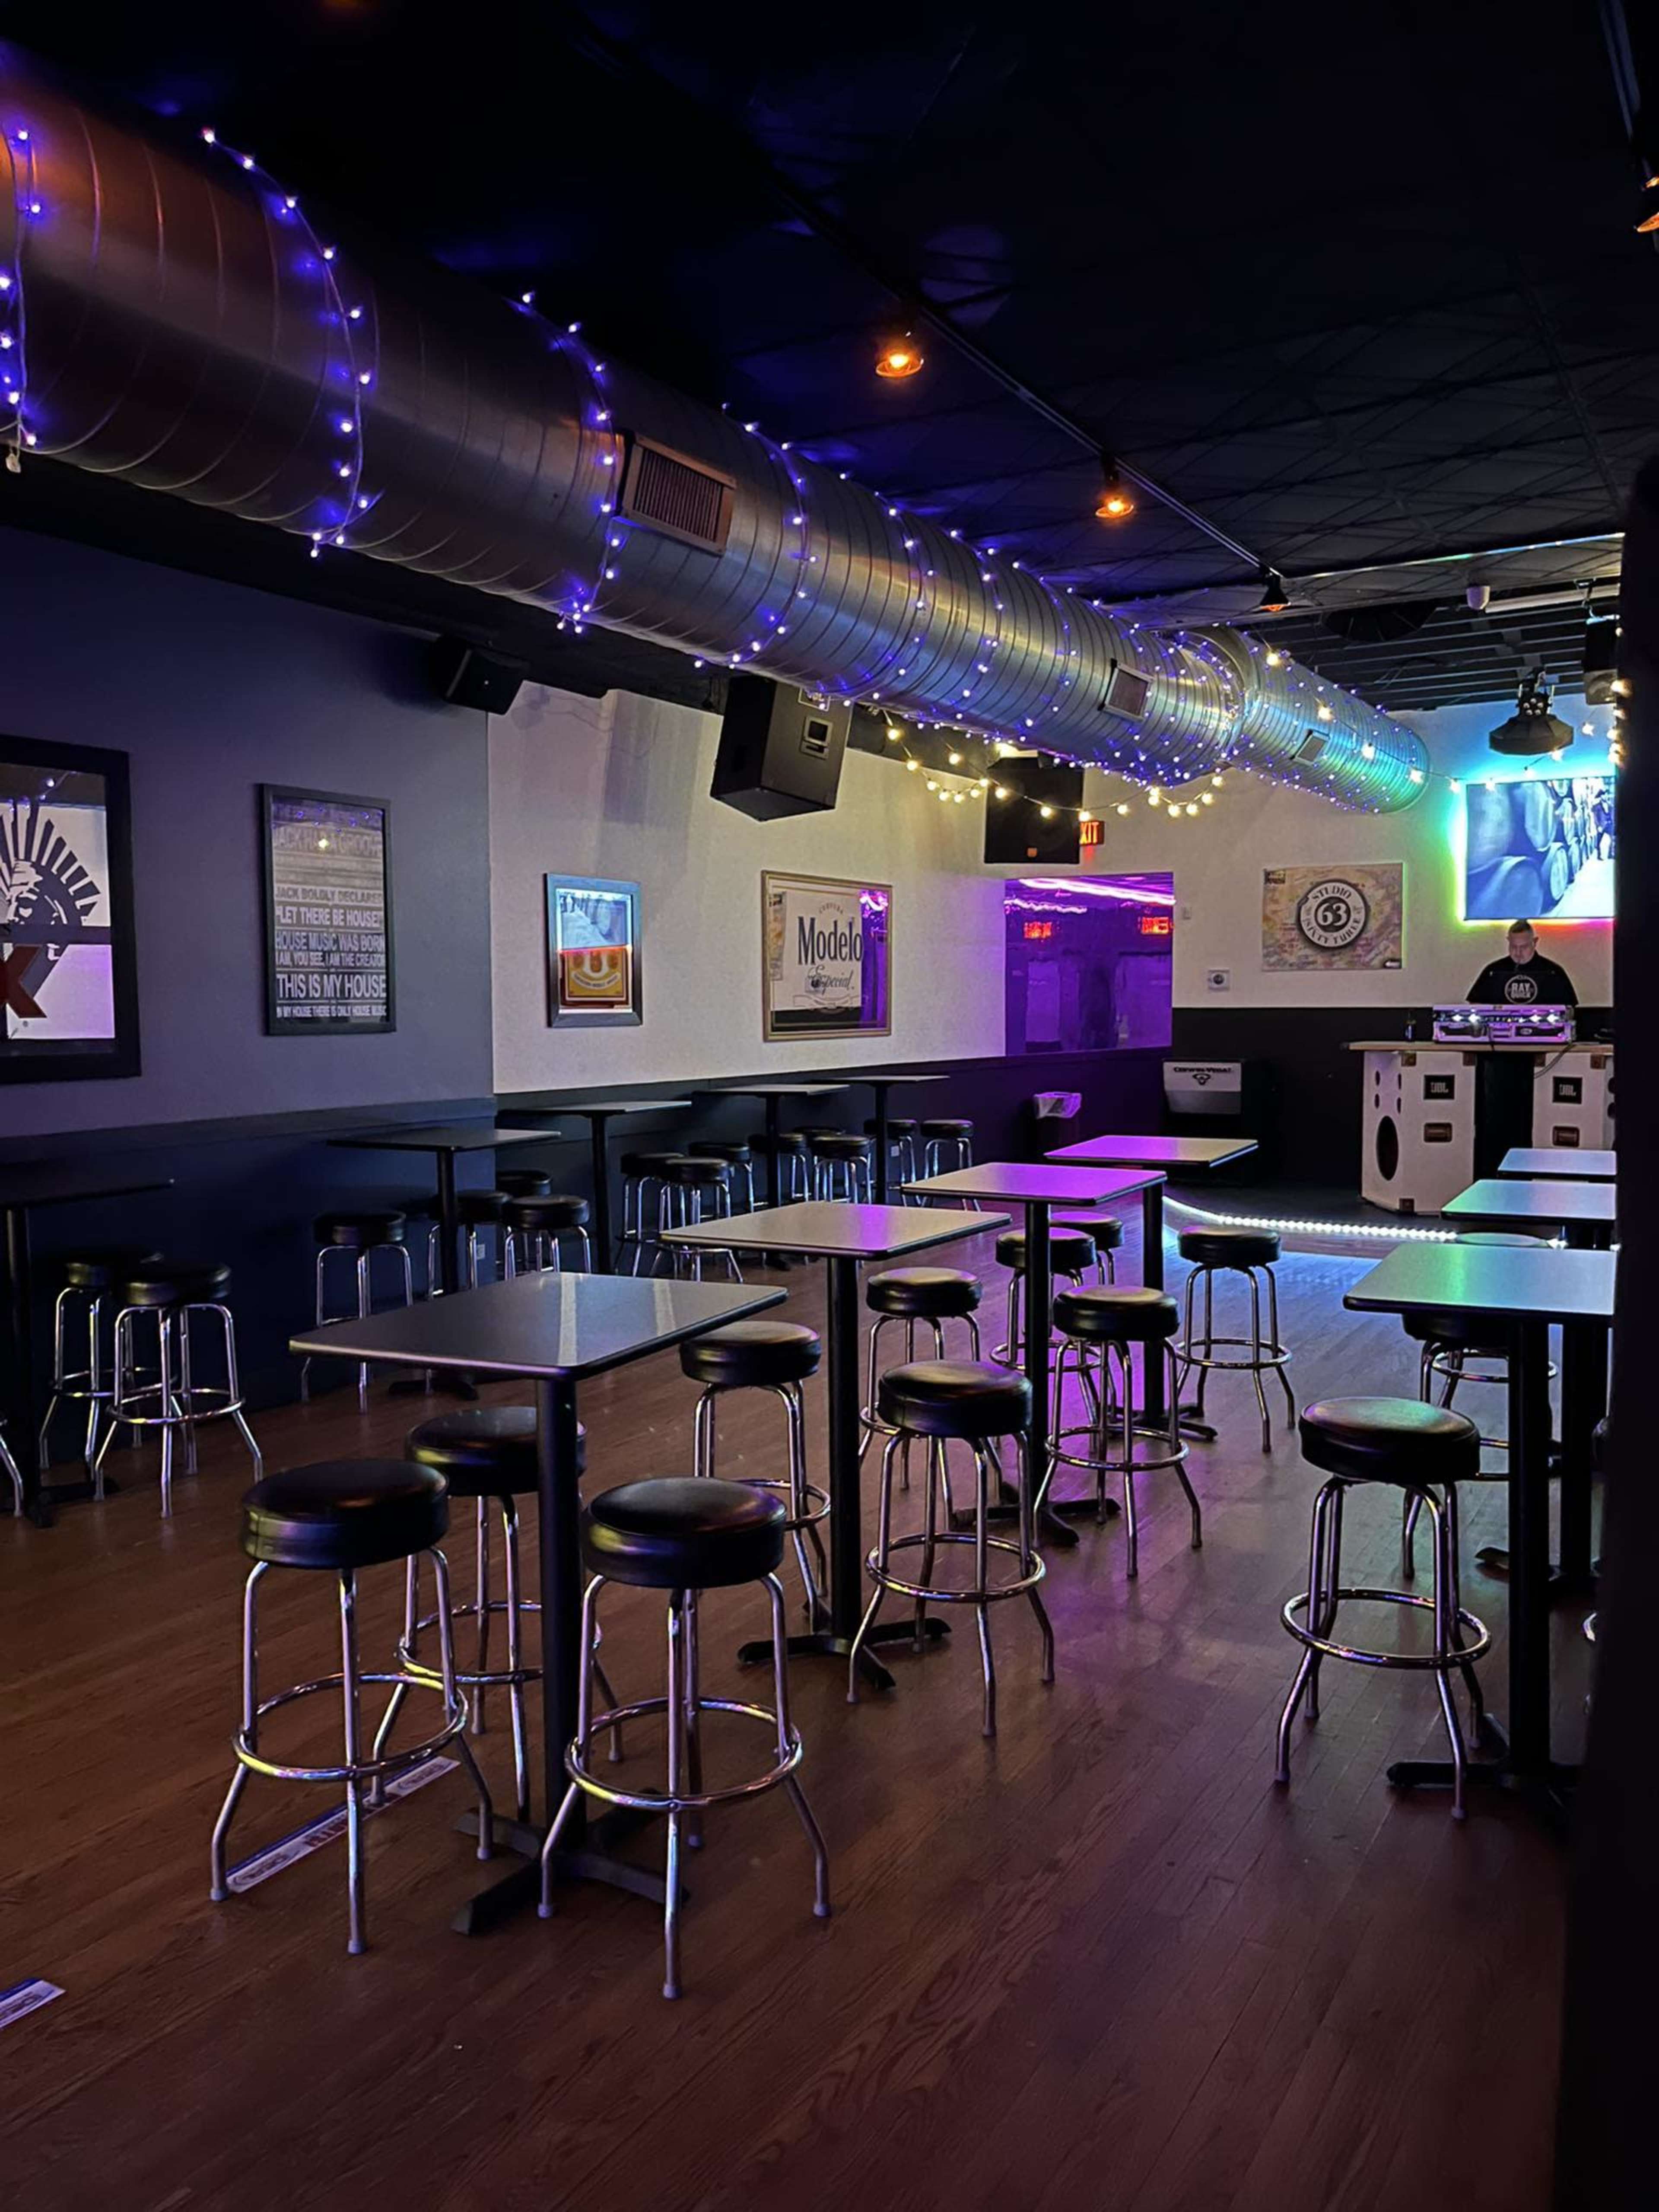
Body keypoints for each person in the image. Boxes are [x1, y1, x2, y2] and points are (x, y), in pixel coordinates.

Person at [1467, 918, 1578, 1009]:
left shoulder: (1553, 972)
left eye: (1524, 947)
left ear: (1535, 942)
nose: (1518, 953)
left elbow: (1569, 1010)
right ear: (1508, 941)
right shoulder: (1493, 971)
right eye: (1514, 947)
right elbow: (1475, 1006)